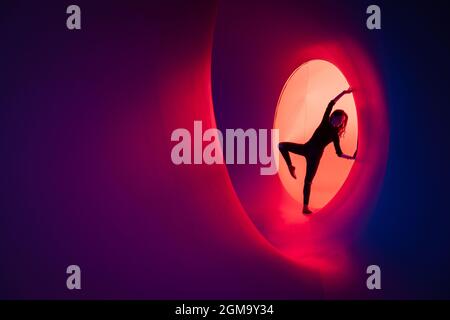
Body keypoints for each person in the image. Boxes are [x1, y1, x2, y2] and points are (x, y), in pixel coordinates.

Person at [278, 88, 357, 214]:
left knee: (308, 181)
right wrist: (344, 93)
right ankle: (290, 166)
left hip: (315, 158)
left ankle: (305, 207)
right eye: (338, 119)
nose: (339, 123)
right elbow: (331, 103)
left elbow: (339, 153)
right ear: (333, 116)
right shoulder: (325, 121)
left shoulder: (335, 135)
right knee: (281, 145)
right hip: (306, 148)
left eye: (341, 122)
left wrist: (351, 158)